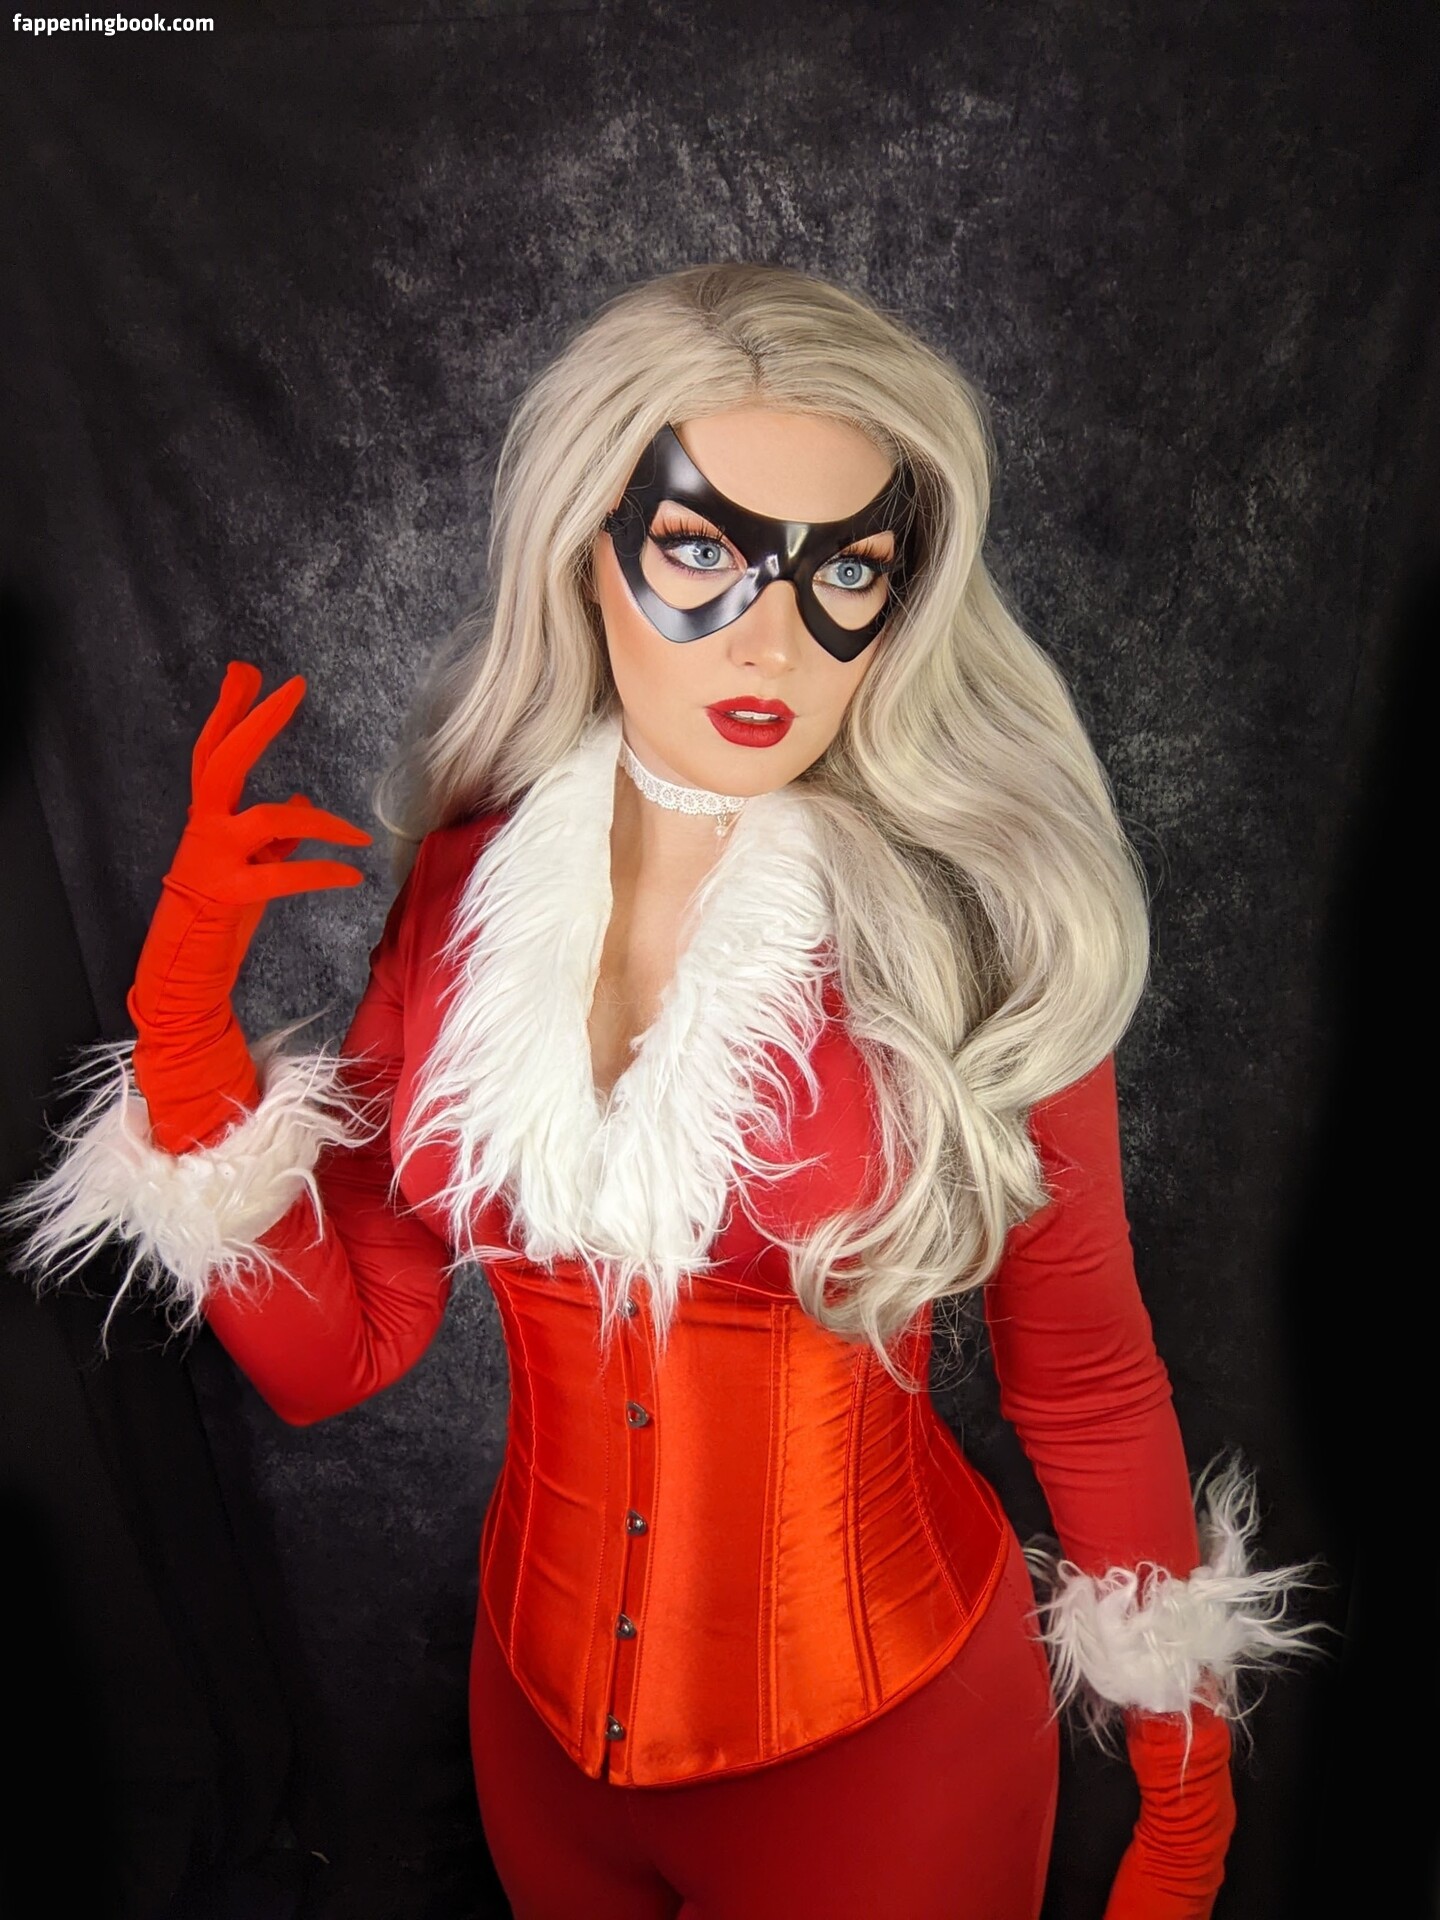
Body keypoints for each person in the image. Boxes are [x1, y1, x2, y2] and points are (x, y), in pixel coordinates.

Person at [10, 263, 1311, 1919]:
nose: (772, 637)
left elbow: (1084, 1371)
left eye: (847, 571)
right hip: (540, 1748)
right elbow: (337, 1354)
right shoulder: (472, 891)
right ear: (589, 551)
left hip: (890, 1759)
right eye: (702, 551)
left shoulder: (979, 922)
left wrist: (1185, 1808)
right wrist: (183, 1023)